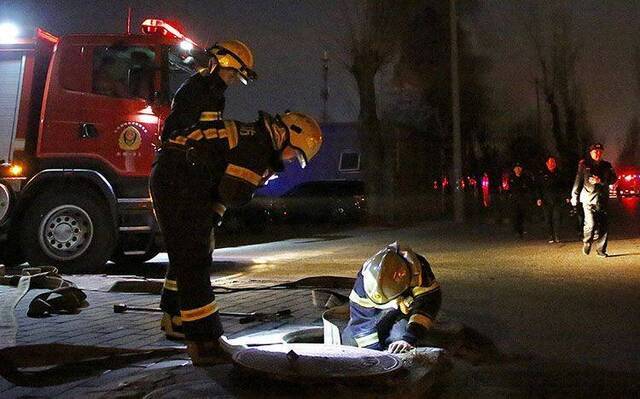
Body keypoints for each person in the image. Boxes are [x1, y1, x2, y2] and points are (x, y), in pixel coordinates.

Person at [342, 243, 441, 354]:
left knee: (398, 336)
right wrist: (374, 353)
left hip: (406, 309)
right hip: (379, 312)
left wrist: (408, 339)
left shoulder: (419, 273)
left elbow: (427, 306)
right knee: (349, 339)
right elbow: (361, 322)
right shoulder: (364, 285)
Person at [570, 143, 617, 257]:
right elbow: (578, 180)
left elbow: (613, 179)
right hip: (588, 199)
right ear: (591, 153)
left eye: (600, 151)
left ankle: (601, 250)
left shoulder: (607, 165)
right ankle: (587, 241)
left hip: (602, 199)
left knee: (604, 226)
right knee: (590, 223)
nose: (598, 153)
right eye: (595, 151)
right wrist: (574, 196)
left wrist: (600, 181)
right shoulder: (584, 165)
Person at [536, 156, 565, 243]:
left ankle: (557, 235)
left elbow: (564, 186)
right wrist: (539, 198)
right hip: (546, 200)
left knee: (557, 218)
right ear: (547, 164)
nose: (552, 164)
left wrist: (566, 197)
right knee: (547, 219)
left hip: (557, 200)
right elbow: (538, 187)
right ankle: (550, 236)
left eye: (553, 162)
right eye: (550, 162)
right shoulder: (542, 174)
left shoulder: (559, 174)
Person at [508, 162, 535, 238]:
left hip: (523, 199)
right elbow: (510, 189)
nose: (518, 170)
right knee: (515, 215)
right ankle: (516, 230)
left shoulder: (525, 177)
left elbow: (529, 187)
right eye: (516, 168)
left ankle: (522, 229)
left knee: (522, 214)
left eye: (519, 168)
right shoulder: (511, 178)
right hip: (514, 199)